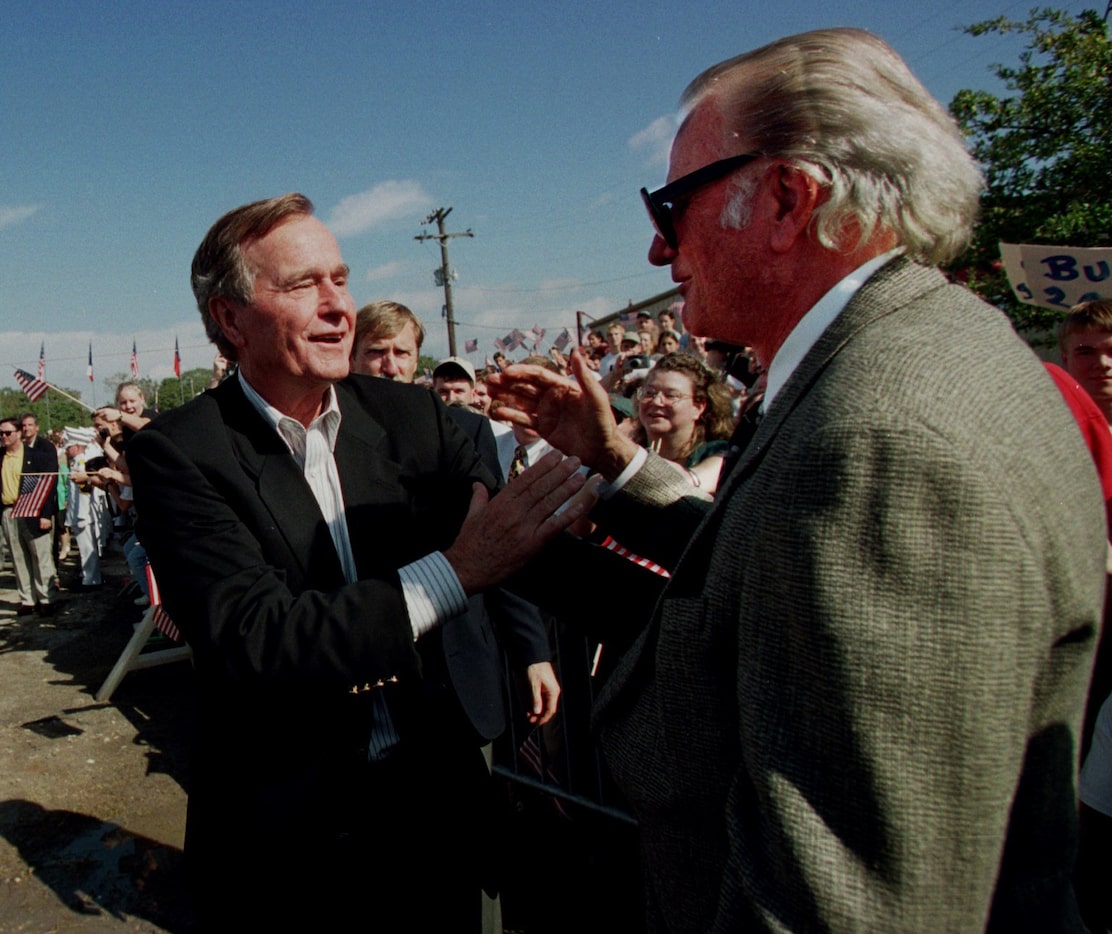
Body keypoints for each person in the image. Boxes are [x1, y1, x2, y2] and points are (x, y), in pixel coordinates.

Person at [490, 28, 1106, 931]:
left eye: (670, 208)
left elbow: (848, 901)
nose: (660, 255)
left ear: (787, 198)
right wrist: (617, 462)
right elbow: (776, 565)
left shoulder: (882, 435)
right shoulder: (903, 356)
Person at [127, 193, 589, 930]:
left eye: (341, 278)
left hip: (428, 811)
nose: (340, 305)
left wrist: (611, 465)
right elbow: (258, 636)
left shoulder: (417, 419)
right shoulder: (177, 453)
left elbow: (529, 550)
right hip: (286, 835)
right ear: (229, 320)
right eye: (303, 284)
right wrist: (456, 571)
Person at [630, 352, 734, 493]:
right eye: (649, 393)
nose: (656, 401)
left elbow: (682, 486)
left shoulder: (718, 455)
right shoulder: (633, 452)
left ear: (698, 407)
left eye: (671, 395)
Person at [1, 416, 58, 616]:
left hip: (33, 510)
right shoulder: (1, 456)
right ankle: (27, 599)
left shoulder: (36, 456)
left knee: (40, 555)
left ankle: (46, 598)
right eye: (1, 433)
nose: (4, 437)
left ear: (18, 433)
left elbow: (48, 487)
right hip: (8, 511)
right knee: (18, 557)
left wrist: (45, 514)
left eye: (8, 433)